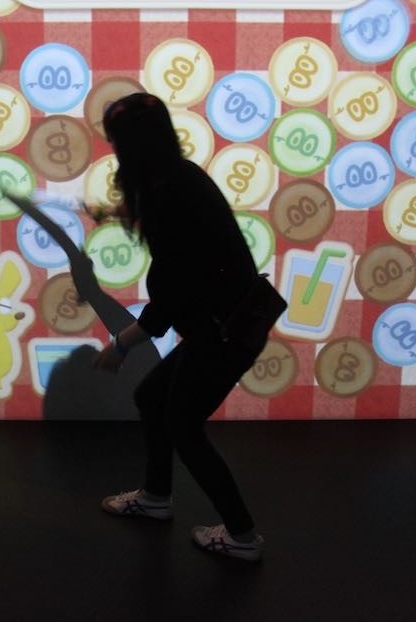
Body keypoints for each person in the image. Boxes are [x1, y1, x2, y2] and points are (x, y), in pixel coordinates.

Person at [92, 92, 267, 562]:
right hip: (223, 323)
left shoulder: (169, 195)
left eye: (116, 141)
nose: (113, 149)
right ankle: (156, 497)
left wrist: (122, 345)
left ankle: (242, 536)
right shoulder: (175, 178)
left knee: (183, 426)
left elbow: (173, 295)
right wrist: (122, 213)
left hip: (225, 332)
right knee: (153, 398)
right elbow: (185, 254)